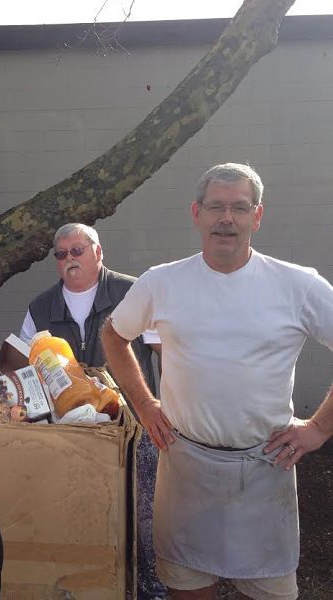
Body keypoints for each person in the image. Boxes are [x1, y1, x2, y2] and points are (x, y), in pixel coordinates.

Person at [101, 163, 333, 600]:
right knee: (187, 590)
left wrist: (319, 427)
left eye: (239, 208)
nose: (227, 218)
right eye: (216, 207)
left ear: (257, 216)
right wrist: (146, 405)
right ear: (197, 213)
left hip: (267, 470)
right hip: (186, 467)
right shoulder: (162, 282)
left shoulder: (298, 285)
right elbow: (114, 334)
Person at [20, 222, 167, 600]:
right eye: (61, 254)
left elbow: (166, 351)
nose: (70, 259)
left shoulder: (131, 291)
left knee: (142, 514)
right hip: (69, 432)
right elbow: (23, 366)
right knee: (78, 511)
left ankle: (149, 589)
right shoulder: (40, 308)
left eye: (77, 250)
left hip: (132, 426)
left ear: (98, 252)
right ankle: (86, 587)